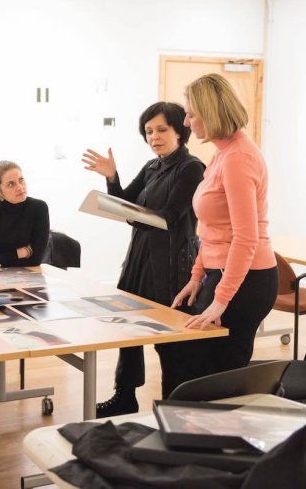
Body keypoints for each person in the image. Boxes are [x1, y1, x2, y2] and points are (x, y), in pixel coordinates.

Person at [82, 102, 205, 415]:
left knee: (169, 344)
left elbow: (169, 218)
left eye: (162, 129)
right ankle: (125, 396)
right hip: (139, 259)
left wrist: (130, 216)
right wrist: (112, 177)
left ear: (181, 129)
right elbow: (125, 200)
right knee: (130, 331)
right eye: (149, 131)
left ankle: (173, 407)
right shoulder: (153, 167)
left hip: (170, 267)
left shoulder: (191, 168)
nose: (154, 137)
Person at [168, 73, 278, 394]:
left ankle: (221, 438)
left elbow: (245, 238)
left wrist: (220, 300)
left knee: (219, 376)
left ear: (211, 113)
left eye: (191, 113)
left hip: (247, 281)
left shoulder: (238, 158)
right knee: (194, 363)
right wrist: (197, 276)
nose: (187, 122)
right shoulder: (222, 152)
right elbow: (213, 229)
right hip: (221, 274)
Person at [0, 160, 50, 395]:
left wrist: (0, 258)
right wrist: (18, 252)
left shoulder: (38, 208)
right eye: (11, 184)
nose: (19, 187)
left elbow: (36, 258)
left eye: (21, 180)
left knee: (25, 318)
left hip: (26, 283)